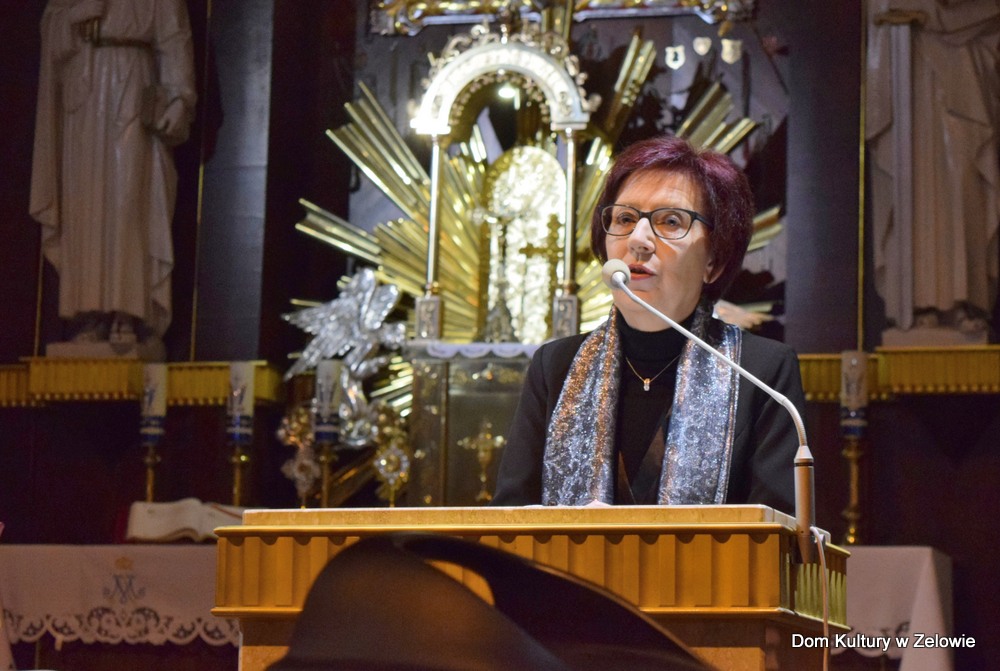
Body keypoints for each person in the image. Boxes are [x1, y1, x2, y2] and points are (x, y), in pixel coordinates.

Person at [492, 135, 804, 513]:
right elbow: (511, 522)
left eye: (670, 221)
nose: (638, 240)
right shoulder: (554, 367)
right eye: (625, 219)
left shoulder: (761, 373)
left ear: (714, 262)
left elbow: (774, 535)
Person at [30, 0, 197, 344]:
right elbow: (53, 29)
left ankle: (128, 310)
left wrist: (180, 97)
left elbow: (173, 35)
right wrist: (76, 16)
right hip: (83, 90)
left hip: (131, 81)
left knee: (127, 201)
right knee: (85, 205)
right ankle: (90, 312)